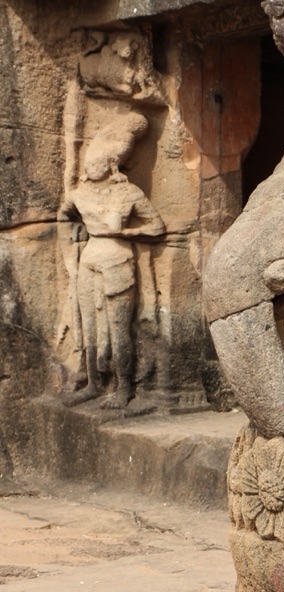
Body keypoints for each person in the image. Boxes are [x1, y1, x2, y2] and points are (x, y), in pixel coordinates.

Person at [60, 112, 164, 409]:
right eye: (88, 162)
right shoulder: (79, 195)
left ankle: (124, 388)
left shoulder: (128, 193)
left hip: (118, 261)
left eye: (97, 163)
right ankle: (94, 384)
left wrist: (127, 230)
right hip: (89, 262)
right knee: (90, 326)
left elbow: (157, 227)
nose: (90, 167)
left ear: (111, 165)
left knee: (119, 330)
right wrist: (77, 233)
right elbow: (64, 215)